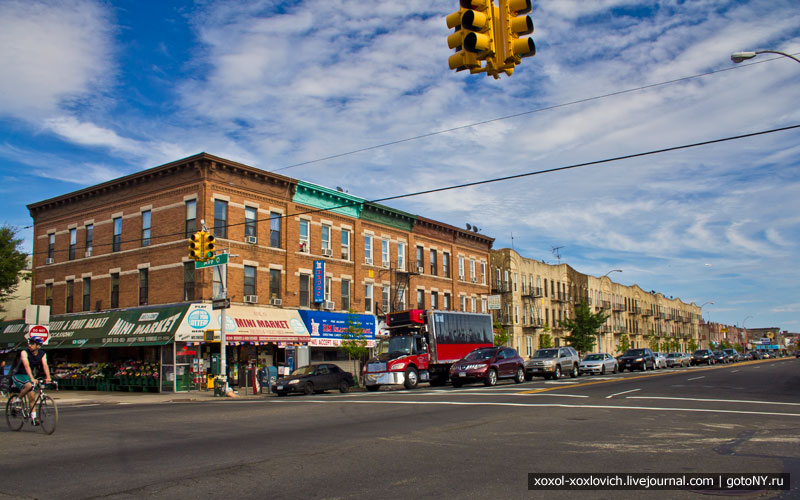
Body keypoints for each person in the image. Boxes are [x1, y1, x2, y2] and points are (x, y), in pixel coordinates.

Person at [12, 336, 52, 424]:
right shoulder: (24, 352)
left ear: (38, 346)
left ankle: (33, 418)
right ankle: (18, 400)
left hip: (28, 376)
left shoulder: (42, 354)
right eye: (29, 343)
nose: (29, 345)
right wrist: (32, 378)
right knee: (29, 385)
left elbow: (45, 365)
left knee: (32, 397)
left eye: (32, 344)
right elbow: (26, 365)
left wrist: (48, 377)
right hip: (18, 375)